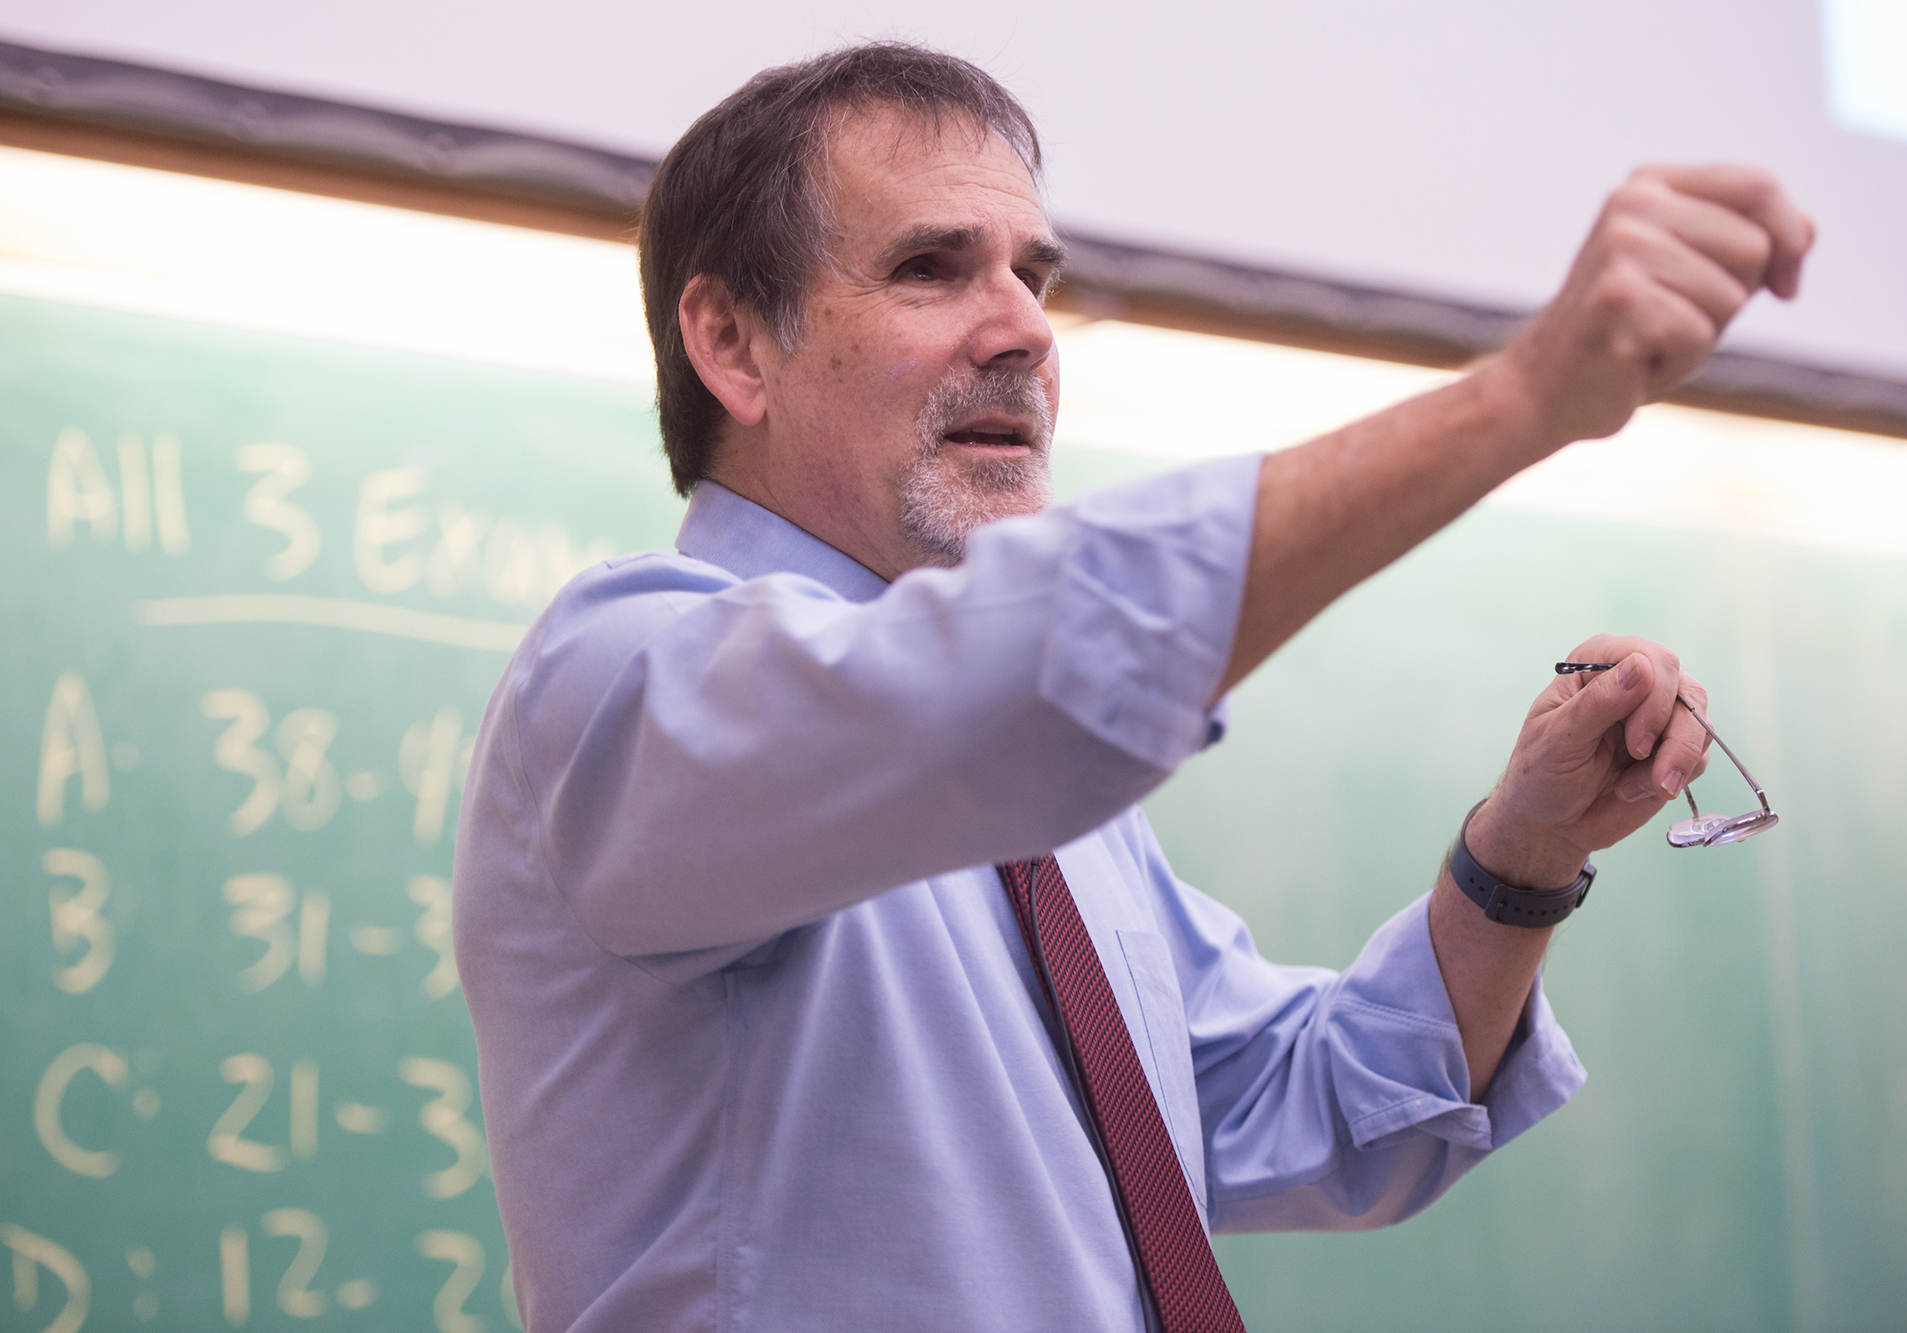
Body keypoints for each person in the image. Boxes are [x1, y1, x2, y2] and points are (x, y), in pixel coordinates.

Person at [454, 42, 1813, 1333]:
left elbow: (1309, 1100)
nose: (1027, 331)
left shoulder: (1052, 820)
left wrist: (1522, 853)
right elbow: (1005, 681)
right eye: (932, 268)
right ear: (734, 345)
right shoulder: (624, 681)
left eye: (1035, 274)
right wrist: (1518, 399)